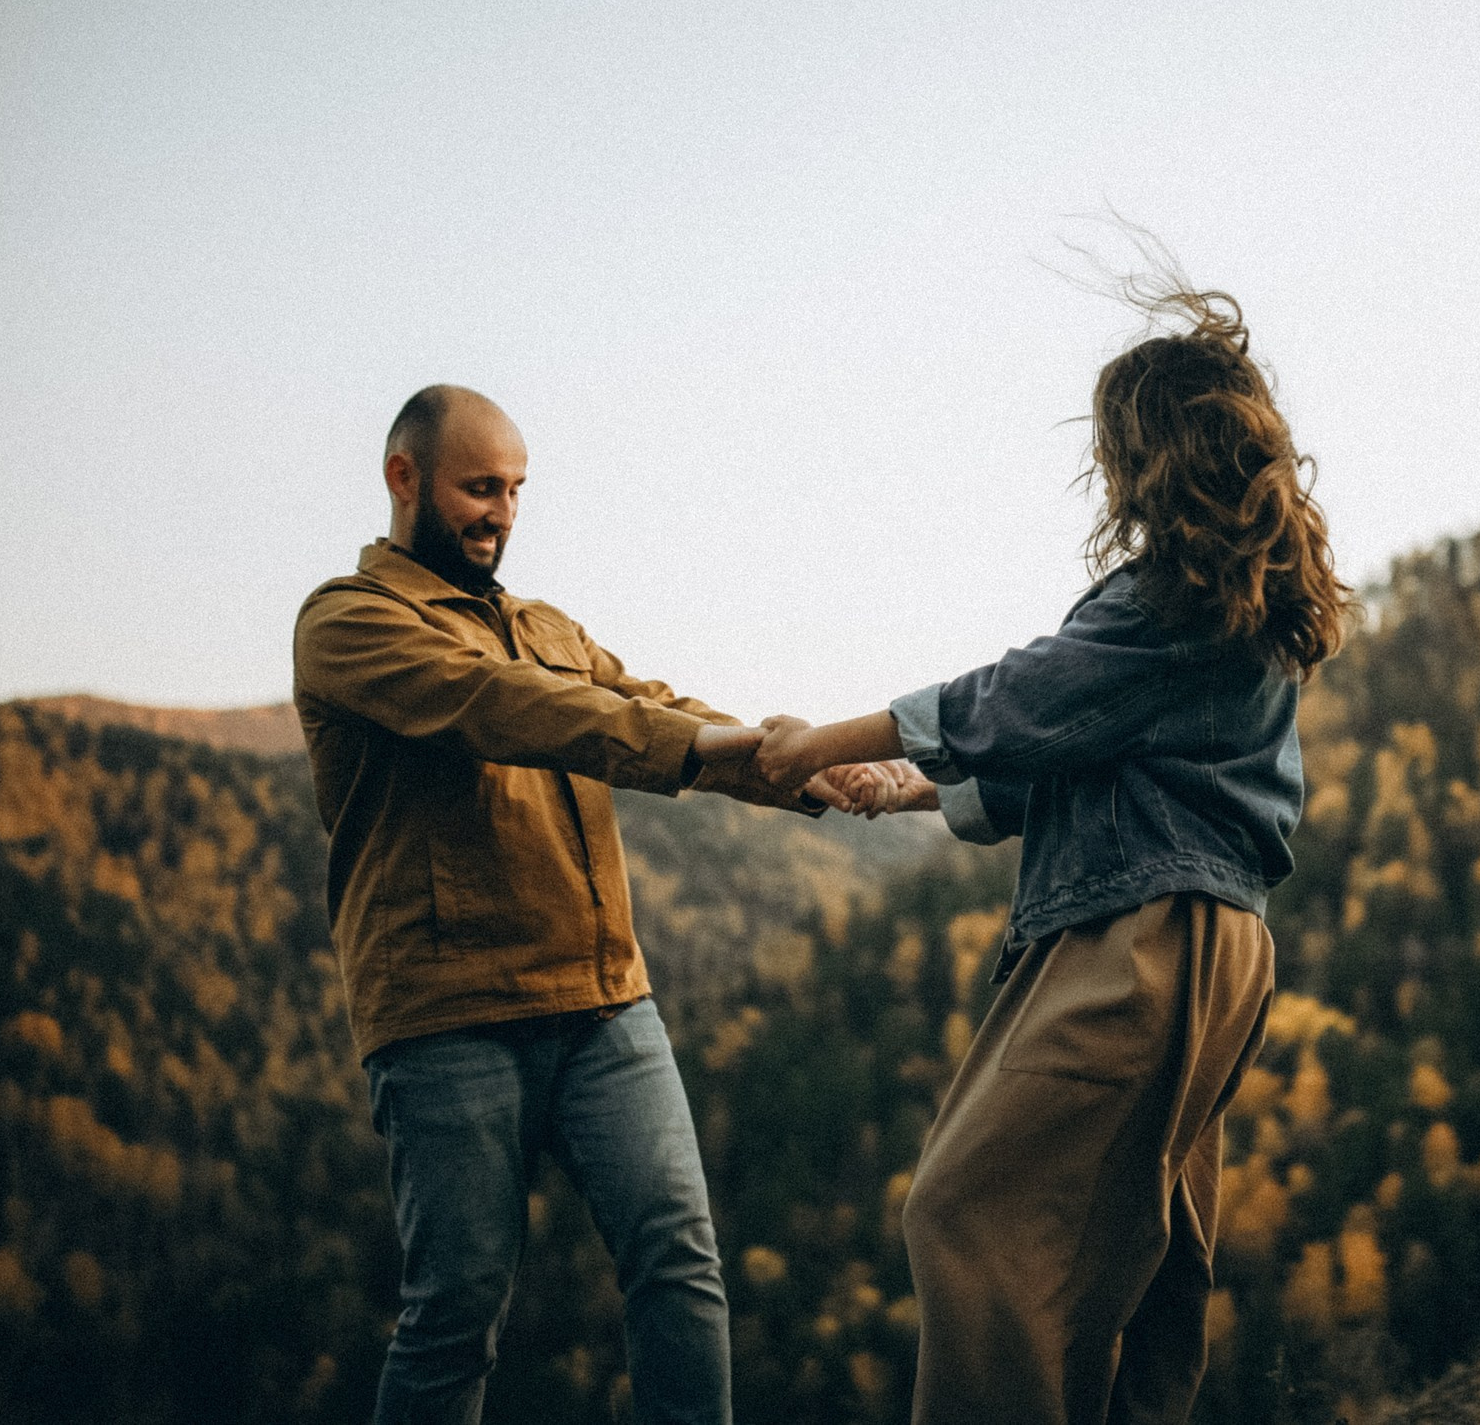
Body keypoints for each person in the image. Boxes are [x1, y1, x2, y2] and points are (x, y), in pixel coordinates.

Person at [753, 273, 1354, 1425]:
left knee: (965, 1215)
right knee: (1144, 1260)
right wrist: (910, 789)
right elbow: (1085, 747)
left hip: (1142, 944)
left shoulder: (1173, 596)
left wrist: (821, 740)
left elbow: (1023, 695)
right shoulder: (1234, 595)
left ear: (1143, 456)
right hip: (1208, 946)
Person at [292, 384, 868, 1425]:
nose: (501, 512)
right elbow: (508, 709)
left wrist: (812, 765)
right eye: (478, 487)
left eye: (515, 490)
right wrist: (712, 749)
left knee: (680, 1265)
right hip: (448, 1016)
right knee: (456, 1313)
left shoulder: (546, 626)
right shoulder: (347, 622)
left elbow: (649, 707)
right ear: (403, 478)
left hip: (605, 1003)